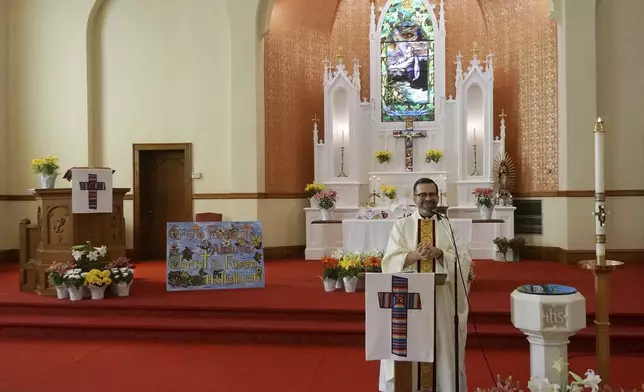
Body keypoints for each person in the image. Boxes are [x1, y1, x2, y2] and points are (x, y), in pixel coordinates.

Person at [379, 178, 472, 392]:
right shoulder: (401, 226)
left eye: (432, 194)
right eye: (423, 195)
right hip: (409, 302)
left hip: (441, 301)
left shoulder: (449, 226)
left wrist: (439, 253)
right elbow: (389, 262)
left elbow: (464, 260)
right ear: (414, 198)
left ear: (438, 197)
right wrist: (414, 255)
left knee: (442, 347)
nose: (428, 199)